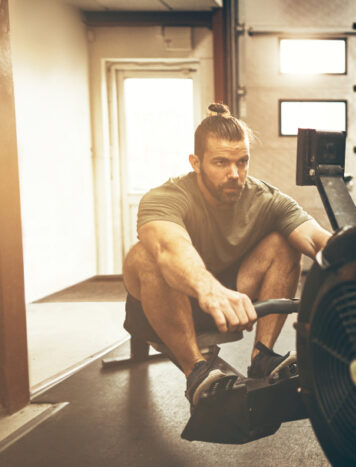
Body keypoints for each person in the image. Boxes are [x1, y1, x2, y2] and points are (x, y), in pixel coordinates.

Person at [122, 103, 331, 409]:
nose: (234, 174)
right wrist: (210, 290)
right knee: (145, 255)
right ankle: (196, 371)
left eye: (242, 162)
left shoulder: (266, 198)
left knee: (283, 242)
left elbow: (317, 239)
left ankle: (263, 356)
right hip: (165, 305)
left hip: (228, 303)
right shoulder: (165, 197)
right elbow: (170, 248)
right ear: (196, 162)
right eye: (221, 162)